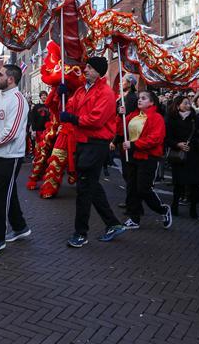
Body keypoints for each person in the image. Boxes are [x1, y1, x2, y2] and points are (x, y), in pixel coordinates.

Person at [60, 56, 125, 247]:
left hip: (95, 144)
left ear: (98, 71)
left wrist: (73, 119)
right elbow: (70, 106)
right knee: (90, 185)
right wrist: (62, 94)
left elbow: (95, 119)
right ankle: (112, 223)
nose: (85, 70)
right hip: (83, 142)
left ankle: (81, 233)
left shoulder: (105, 92)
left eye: (89, 67)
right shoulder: (82, 89)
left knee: (84, 188)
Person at [0, 64, 31, 254]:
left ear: (10, 79)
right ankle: (20, 227)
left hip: (11, 156)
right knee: (10, 192)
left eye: (0, 75)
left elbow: (12, 133)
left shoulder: (18, 101)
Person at [121, 90, 171, 229]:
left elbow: (155, 138)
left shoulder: (157, 118)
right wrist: (121, 115)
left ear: (151, 102)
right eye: (139, 98)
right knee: (131, 188)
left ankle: (162, 209)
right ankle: (134, 218)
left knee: (143, 188)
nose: (139, 100)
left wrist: (134, 144)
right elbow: (121, 130)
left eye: (143, 98)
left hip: (148, 157)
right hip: (133, 156)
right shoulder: (133, 115)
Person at [165, 95, 199, 219]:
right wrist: (177, 144)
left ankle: (193, 209)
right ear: (178, 106)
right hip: (179, 156)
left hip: (193, 155)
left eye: (189, 103)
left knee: (194, 183)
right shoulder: (171, 119)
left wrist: (193, 143)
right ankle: (175, 206)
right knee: (178, 183)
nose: (188, 105)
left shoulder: (194, 119)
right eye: (185, 103)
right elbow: (167, 138)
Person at [114, 75, 139, 208]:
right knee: (127, 171)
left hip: (128, 138)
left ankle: (132, 201)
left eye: (122, 81)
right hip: (124, 137)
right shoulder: (125, 97)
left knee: (128, 172)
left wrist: (115, 140)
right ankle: (132, 199)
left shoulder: (130, 98)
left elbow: (124, 121)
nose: (120, 83)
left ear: (130, 83)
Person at [28, 90, 51, 158]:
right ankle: (38, 158)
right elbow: (33, 118)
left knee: (46, 145)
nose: (44, 96)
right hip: (38, 129)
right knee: (38, 145)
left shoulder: (49, 106)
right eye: (42, 95)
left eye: (45, 95)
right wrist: (33, 130)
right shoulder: (36, 106)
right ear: (40, 97)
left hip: (47, 130)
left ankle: (45, 158)